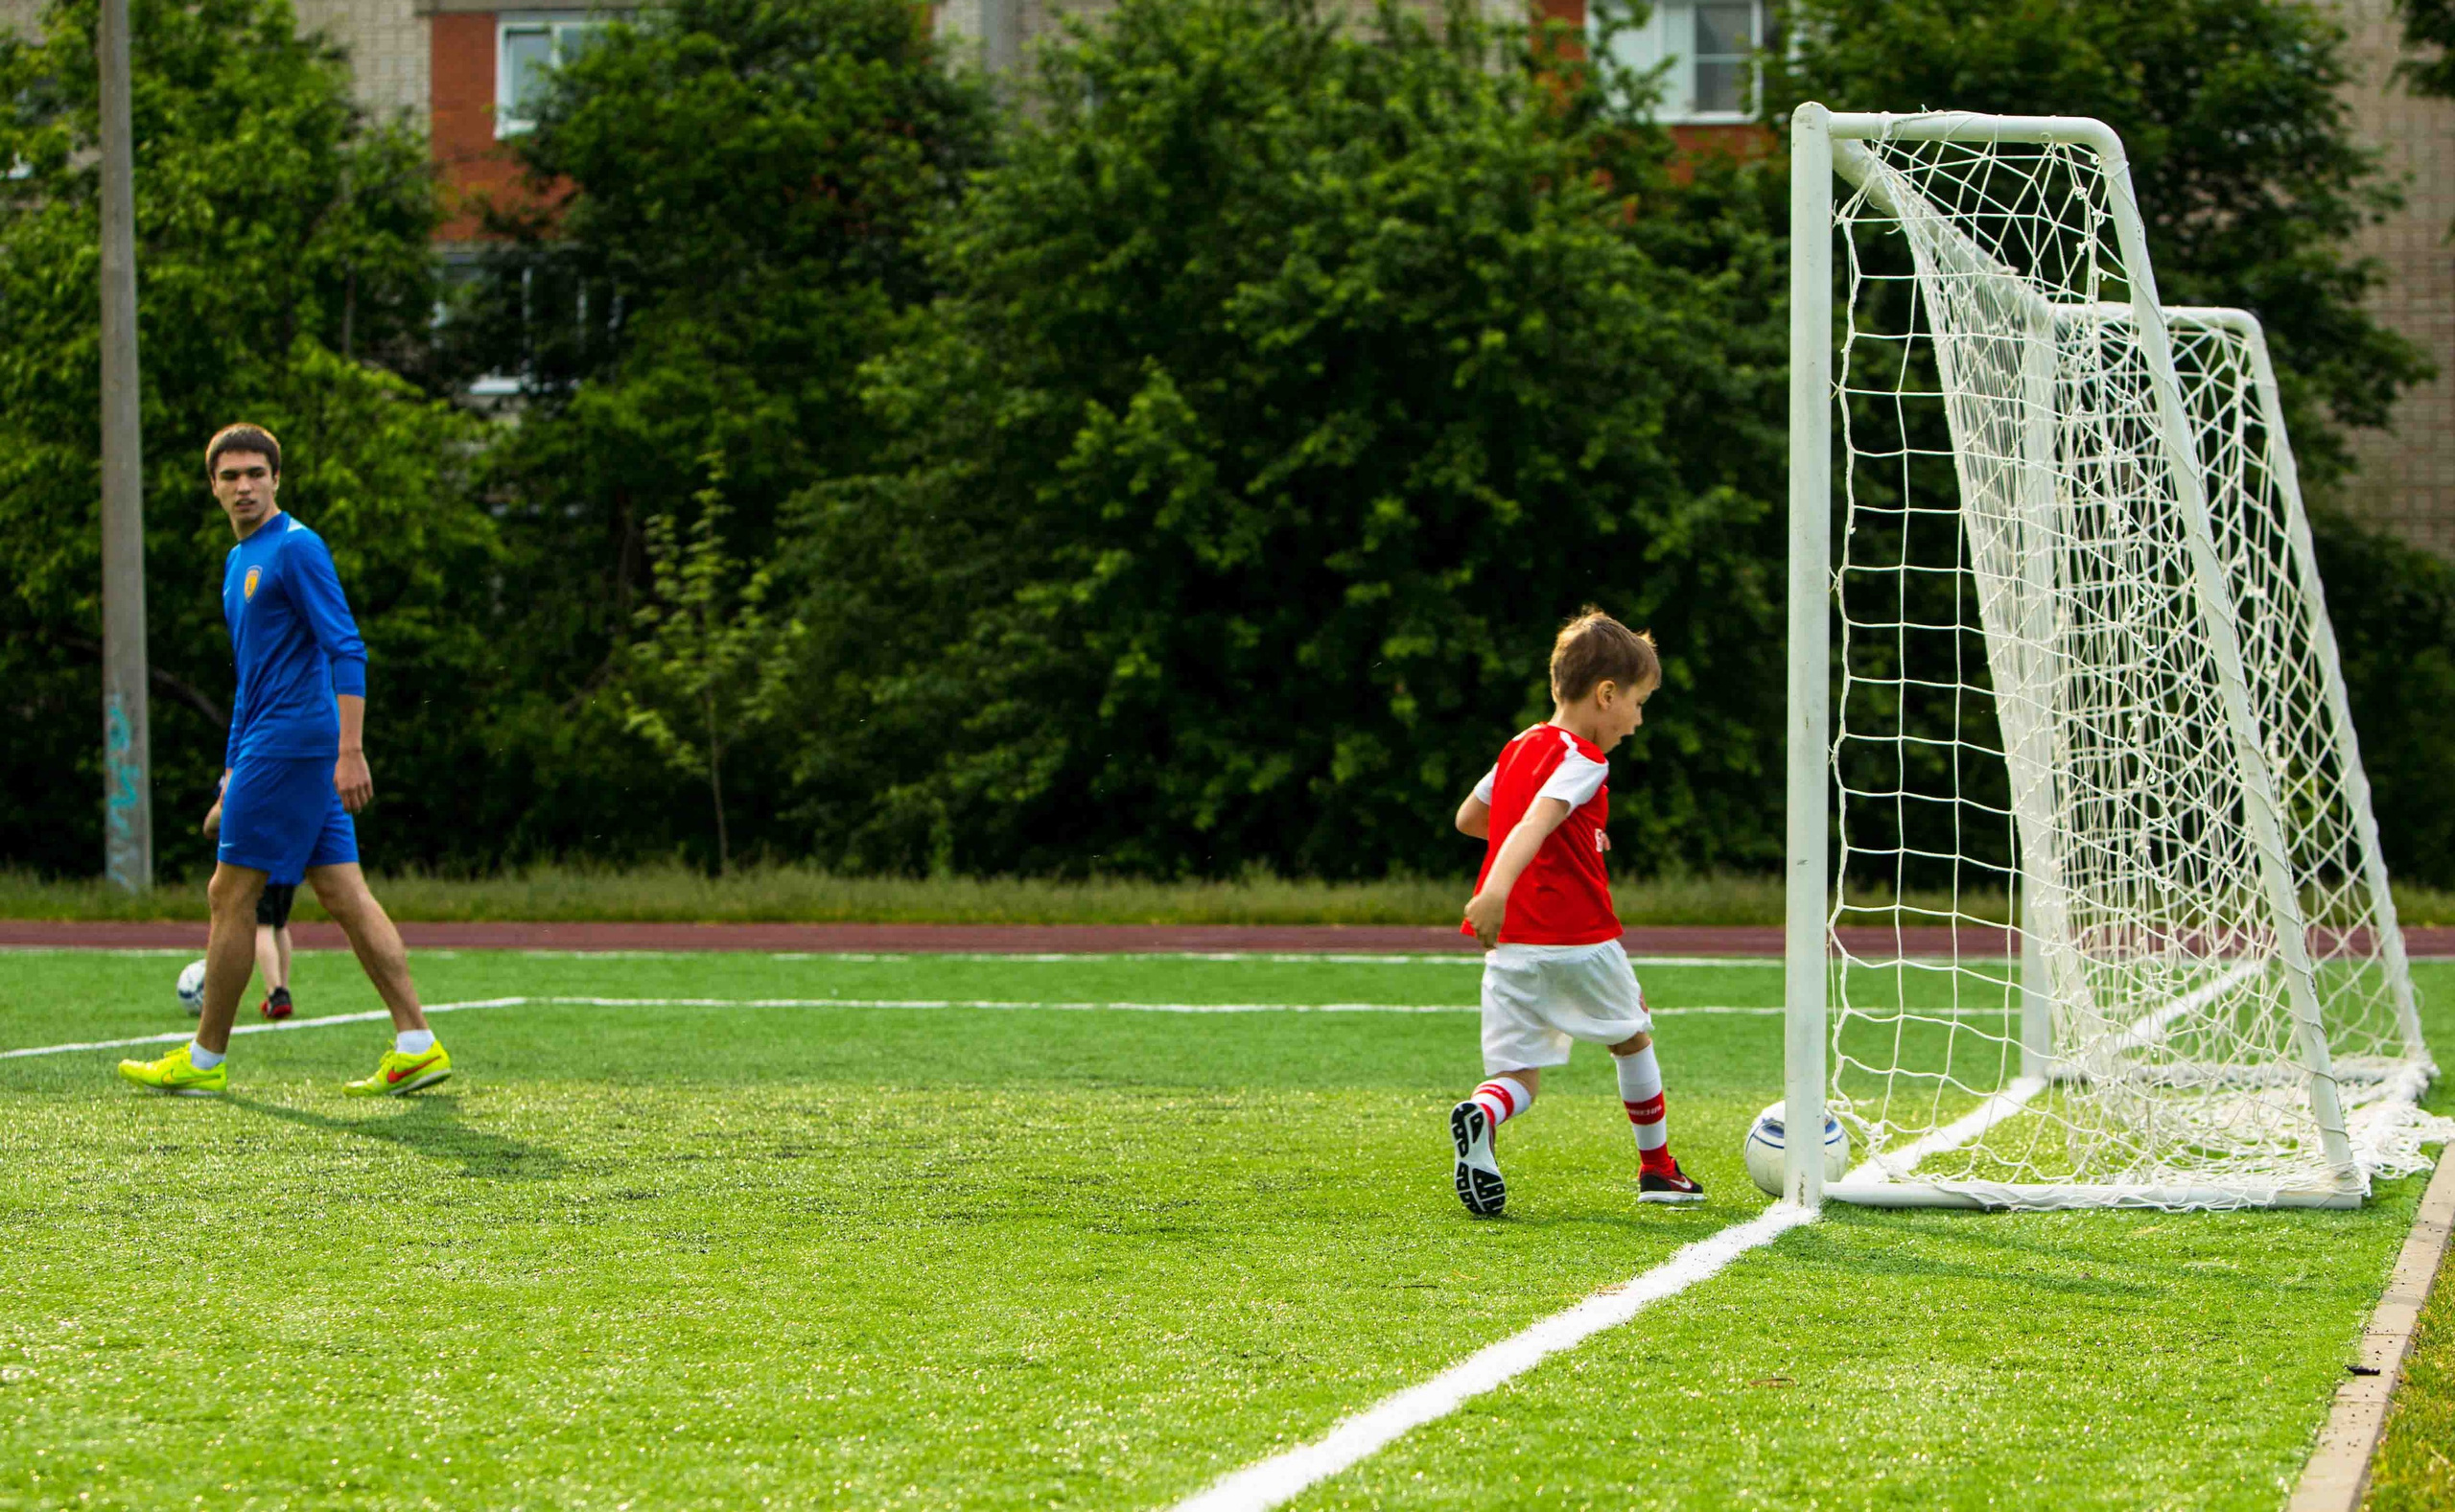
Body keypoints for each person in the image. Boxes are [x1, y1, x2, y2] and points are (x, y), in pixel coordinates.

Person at [120, 423, 452, 1098]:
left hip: (292, 743)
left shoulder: (297, 547)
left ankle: (204, 1059)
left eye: (256, 473)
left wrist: (350, 750)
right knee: (343, 893)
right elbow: (251, 681)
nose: (244, 486)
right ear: (213, 486)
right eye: (230, 476)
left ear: (276, 478)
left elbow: (346, 647)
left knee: (229, 893)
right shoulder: (237, 561)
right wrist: (230, 775)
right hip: (275, 745)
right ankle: (417, 1043)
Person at [1448, 608, 1701, 1215]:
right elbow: (1535, 823)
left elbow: (1471, 819)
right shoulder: (1584, 758)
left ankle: (1481, 1113)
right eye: (1638, 703)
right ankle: (1657, 1170)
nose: (1637, 721)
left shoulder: (1517, 747)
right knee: (1632, 1040)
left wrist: (1555, 848)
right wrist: (1496, 888)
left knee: (1518, 1075)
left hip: (1511, 945)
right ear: (1606, 695)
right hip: (1579, 939)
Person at [197, 774, 296, 1022]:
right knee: (280, 925)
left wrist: (211, 827)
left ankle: (276, 992)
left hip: (257, 860)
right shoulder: (287, 771)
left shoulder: (246, 767)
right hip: (287, 858)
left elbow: (215, 817)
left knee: (262, 926)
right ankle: (283, 989)